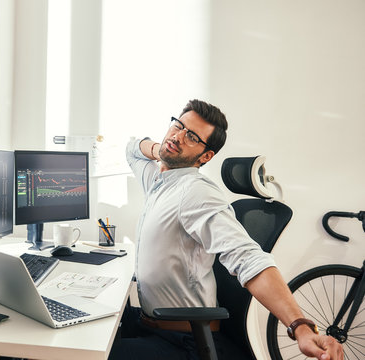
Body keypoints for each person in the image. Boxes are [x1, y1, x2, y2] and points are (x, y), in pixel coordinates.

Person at [108, 99, 343, 360]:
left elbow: (248, 257)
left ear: (205, 156)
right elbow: (132, 149)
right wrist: (162, 149)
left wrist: (299, 326)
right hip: (149, 323)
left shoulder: (196, 192)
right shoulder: (157, 179)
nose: (179, 136)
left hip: (186, 342)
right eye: (178, 126)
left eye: (192, 137)